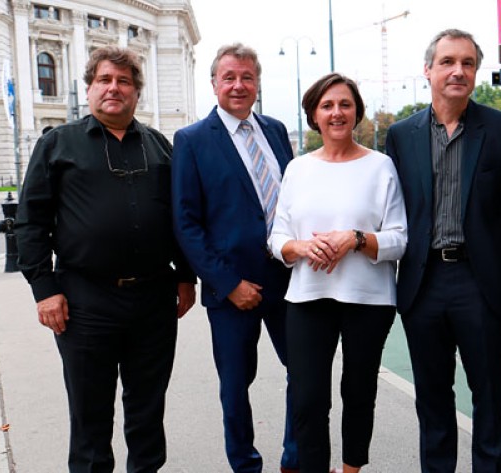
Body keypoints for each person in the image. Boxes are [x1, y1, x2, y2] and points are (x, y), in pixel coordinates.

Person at [14, 46, 197, 473]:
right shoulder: (58, 144)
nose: (114, 88)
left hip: (153, 301)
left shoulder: (159, 147)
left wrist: (185, 277)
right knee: (90, 414)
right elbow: (30, 221)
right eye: (104, 80)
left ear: (137, 93)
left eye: (124, 81)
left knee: (147, 411)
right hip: (84, 301)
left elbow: (180, 218)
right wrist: (45, 291)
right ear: (90, 87)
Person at [385, 29, 501, 472]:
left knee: (488, 394)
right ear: (428, 70)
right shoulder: (401, 136)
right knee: (432, 397)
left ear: (476, 71)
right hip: (422, 284)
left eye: (467, 63)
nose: (457, 71)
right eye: (447, 62)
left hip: (479, 283)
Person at [269, 73, 407, 473]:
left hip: (369, 300)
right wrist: (301, 247)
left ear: (357, 113)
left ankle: (350, 469)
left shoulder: (381, 167)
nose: (336, 113)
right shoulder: (297, 168)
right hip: (308, 298)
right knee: (308, 397)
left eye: (345, 105)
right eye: (327, 105)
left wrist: (356, 239)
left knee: (359, 391)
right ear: (314, 114)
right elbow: (277, 238)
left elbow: (400, 239)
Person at [171, 43, 298, 473]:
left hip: (289, 280)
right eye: (229, 77)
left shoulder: (278, 131)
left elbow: (295, 202)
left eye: (247, 77)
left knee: (303, 374)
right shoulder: (190, 141)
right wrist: (228, 285)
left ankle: (295, 459)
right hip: (231, 290)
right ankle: (246, 465)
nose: (238, 85)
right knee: (235, 387)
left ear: (257, 83)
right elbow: (186, 223)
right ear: (214, 84)